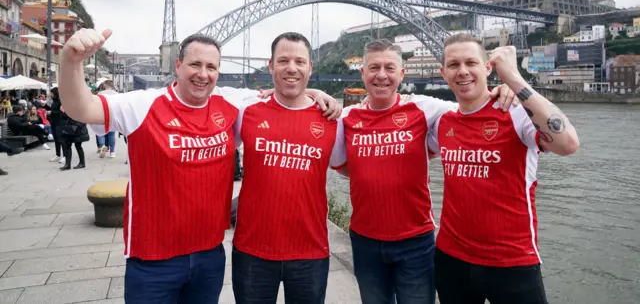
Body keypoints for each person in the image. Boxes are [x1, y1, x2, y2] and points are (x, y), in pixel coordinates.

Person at [58, 28, 339, 304]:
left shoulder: (231, 102)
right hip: (154, 259)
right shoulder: (143, 105)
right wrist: (71, 62)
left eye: (211, 67)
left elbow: (284, 92)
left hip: (208, 256)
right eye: (195, 64)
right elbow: (80, 108)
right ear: (178, 66)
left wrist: (313, 92)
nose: (203, 74)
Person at [330, 39, 516, 304]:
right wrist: (317, 94)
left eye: (389, 68)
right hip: (365, 241)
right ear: (362, 73)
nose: (381, 75)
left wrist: (505, 89)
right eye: (374, 68)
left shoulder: (425, 108)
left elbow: (472, 106)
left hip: (415, 242)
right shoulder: (346, 119)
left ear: (402, 74)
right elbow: (343, 165)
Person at [428, 34, 579, 304]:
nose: (462, 71)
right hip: (452, 259)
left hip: (511, 261)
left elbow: (567, 144)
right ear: (443, 73)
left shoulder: (517, 114)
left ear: (488, 67)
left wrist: (513, 79)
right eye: (453, 65)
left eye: (471, 62)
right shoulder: (443, 122)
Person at [232, 32, 341, 304]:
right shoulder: (246, 111)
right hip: (253, 252)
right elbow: (205, 97)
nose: (291, 68)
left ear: (310, 68)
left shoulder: (332, 120)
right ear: (270, 66)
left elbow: (354, 168)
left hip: (310, 253)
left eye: (299, 61)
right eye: (283, 61)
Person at [94, 78, 118, 158]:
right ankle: (112, 152)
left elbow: (96, 105)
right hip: (112, 116)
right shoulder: (116, 94)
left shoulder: (100, 94)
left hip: (102, 115)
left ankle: (103, 146)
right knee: (111, 135)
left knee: (101, 133)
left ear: (105, 85)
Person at [47, 88, 64, 163]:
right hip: (53, 122)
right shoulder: (54, 102)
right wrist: (45, 107)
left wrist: (51, 112)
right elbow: (53, 110)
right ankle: (58, 154)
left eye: (51, 93)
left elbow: (61, 112)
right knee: (56, 139)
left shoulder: (61, 101)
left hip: (59, 123)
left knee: (61, 139)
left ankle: (65, 156)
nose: (50, 95)